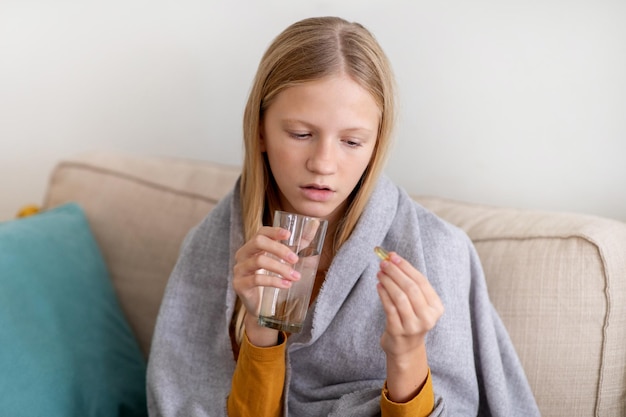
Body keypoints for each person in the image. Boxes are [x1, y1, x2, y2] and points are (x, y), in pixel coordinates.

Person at [146, 16, 540, 417]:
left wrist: (406, 355)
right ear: (260, 130)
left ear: (376, 144)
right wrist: (260, 334)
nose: (323, 164)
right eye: (301, 134)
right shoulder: (212, 248)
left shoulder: (438, 251)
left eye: (352, 141)